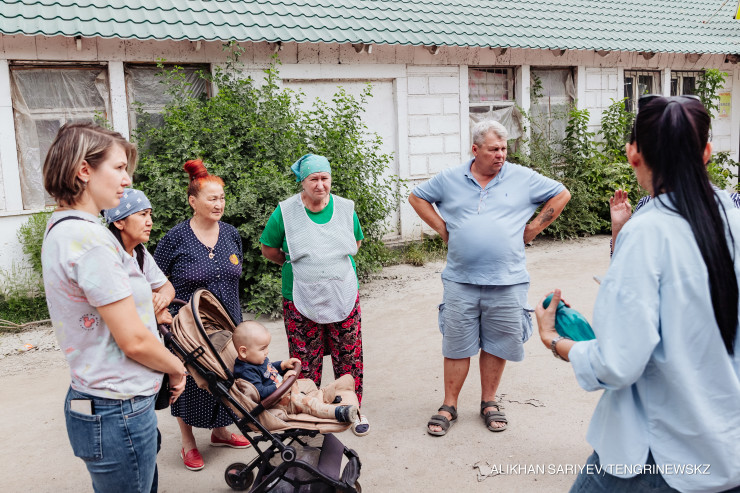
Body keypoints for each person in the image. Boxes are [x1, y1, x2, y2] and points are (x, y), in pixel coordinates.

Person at [535, 95, 740, 493]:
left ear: (633, 154)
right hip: (728, 451)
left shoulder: (646, 232)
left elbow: (618, 364)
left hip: (656, 458)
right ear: (707, 153)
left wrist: (554, 340)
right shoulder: (733, 221)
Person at [41, 122, 187, 493]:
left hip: (102, 399)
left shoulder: (64, 227)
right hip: (118, 408)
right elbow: (134, 340)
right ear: (84, 170)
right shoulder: (91, 240)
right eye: (119, 167)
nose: (127, 179)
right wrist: (176, 368)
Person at [409, 120, 571, 436]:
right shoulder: (450, 178)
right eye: (493, 149)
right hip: (460, 279)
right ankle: (449, 405)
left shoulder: (522, 177)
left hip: (507, 280)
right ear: (475, 149)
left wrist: (533, 228)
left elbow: (561, 194)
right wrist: (443, 229)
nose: (500, 155)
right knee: (456, 344)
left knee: (497, 343)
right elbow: (417, 197)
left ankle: (489, 402)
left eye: (504, 149)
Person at [260, 153, 369, 436]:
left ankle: (352, 409)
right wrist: (300, 265)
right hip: (299, 295)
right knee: (305, 359)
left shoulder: (345, 208)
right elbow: (268, 249)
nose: (320, 185)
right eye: (313, 179)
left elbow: (356, 241)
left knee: (349, 356)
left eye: (325, 178)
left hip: (342, 292)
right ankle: (309, 413)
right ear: (302, 182)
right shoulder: (285, 212)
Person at [154, 160, 249, 471]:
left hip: (228, 321)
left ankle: (220, 432)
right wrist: (162, 311)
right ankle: (188, 442)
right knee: (191, 382)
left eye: (222, 198)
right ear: (193, 201)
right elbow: (153, 279)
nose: (219, 204)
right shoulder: (175, 238)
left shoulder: (231, 234)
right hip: (189, 326)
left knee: (226, 376)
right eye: (212, 199)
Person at [232, 321, 359, 422]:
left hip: (285, 390)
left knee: (308, 383)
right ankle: (338, 413)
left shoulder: (255, 359)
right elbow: (261, 393)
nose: (267, 352)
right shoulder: (246, 372)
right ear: (243, 351)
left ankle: (321, 398)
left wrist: (282, 365)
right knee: (307, 404)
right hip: (276, 402)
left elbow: (269, 368)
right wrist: (282, 384)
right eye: (262, 349)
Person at [104, 188, 175, 325]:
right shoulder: (107, 257)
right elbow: (112, 316)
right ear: (119, 222)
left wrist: (161, 300)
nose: (150, 222)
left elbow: (166, 286)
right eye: (143, 214)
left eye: (150, 215)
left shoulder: (139, 251)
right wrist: (152, 316)